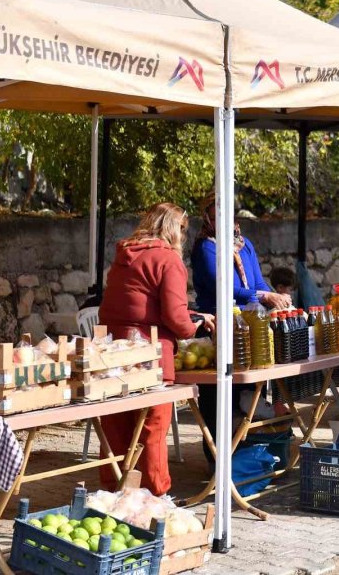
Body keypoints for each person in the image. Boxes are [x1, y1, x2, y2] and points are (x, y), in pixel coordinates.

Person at [98, 203, 214, 494]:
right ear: (175, 230)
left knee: (116, 424)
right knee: (152, 427)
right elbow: (176, 317)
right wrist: (196, 325)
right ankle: (154, 497)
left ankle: (113, 492)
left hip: (113, 350)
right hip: (151, 354)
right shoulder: (167, 259)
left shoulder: (124, 254)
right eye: (183, 231)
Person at [191, 192, 291, 467]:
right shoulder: (205, 248)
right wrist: (263, 297)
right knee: (217, 398)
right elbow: (222, 284)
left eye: (228, 213)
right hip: (218, 326)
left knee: (246, 393)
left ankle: (244, 454)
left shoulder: (244, 245)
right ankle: (217, 458)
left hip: (248, 324)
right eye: (217, 213)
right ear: (208, 217)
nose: (225, 219)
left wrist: (277, 299)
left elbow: (257, 282)